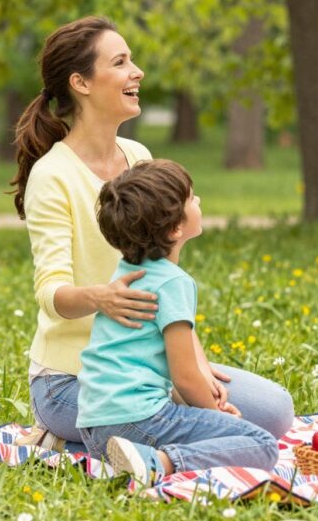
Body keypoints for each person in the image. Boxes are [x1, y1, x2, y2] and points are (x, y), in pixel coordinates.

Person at [10, 16, 293, 451]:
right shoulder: (53, 175)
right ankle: (84, 436)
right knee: (219, 426)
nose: (137, 72)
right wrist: (100, 297)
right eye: (120, 62)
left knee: (274, 411)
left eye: (132, 60)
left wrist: (194, 367)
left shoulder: (138, 155)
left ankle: (105, 443)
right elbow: (52, 294)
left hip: (144, 364)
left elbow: (161, 277)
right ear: (81, 83)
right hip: (72, 381)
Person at [79, 160, 279, 482]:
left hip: (93, 425)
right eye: (192, 199)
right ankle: (160, 462)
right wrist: (215, 417)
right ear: (174, 229)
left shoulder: (126, 272)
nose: (198, 201)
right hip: (141, 420)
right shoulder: (173, 282)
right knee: (261, 444)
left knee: (229, 431)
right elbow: (185, 376)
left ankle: (131, 457)